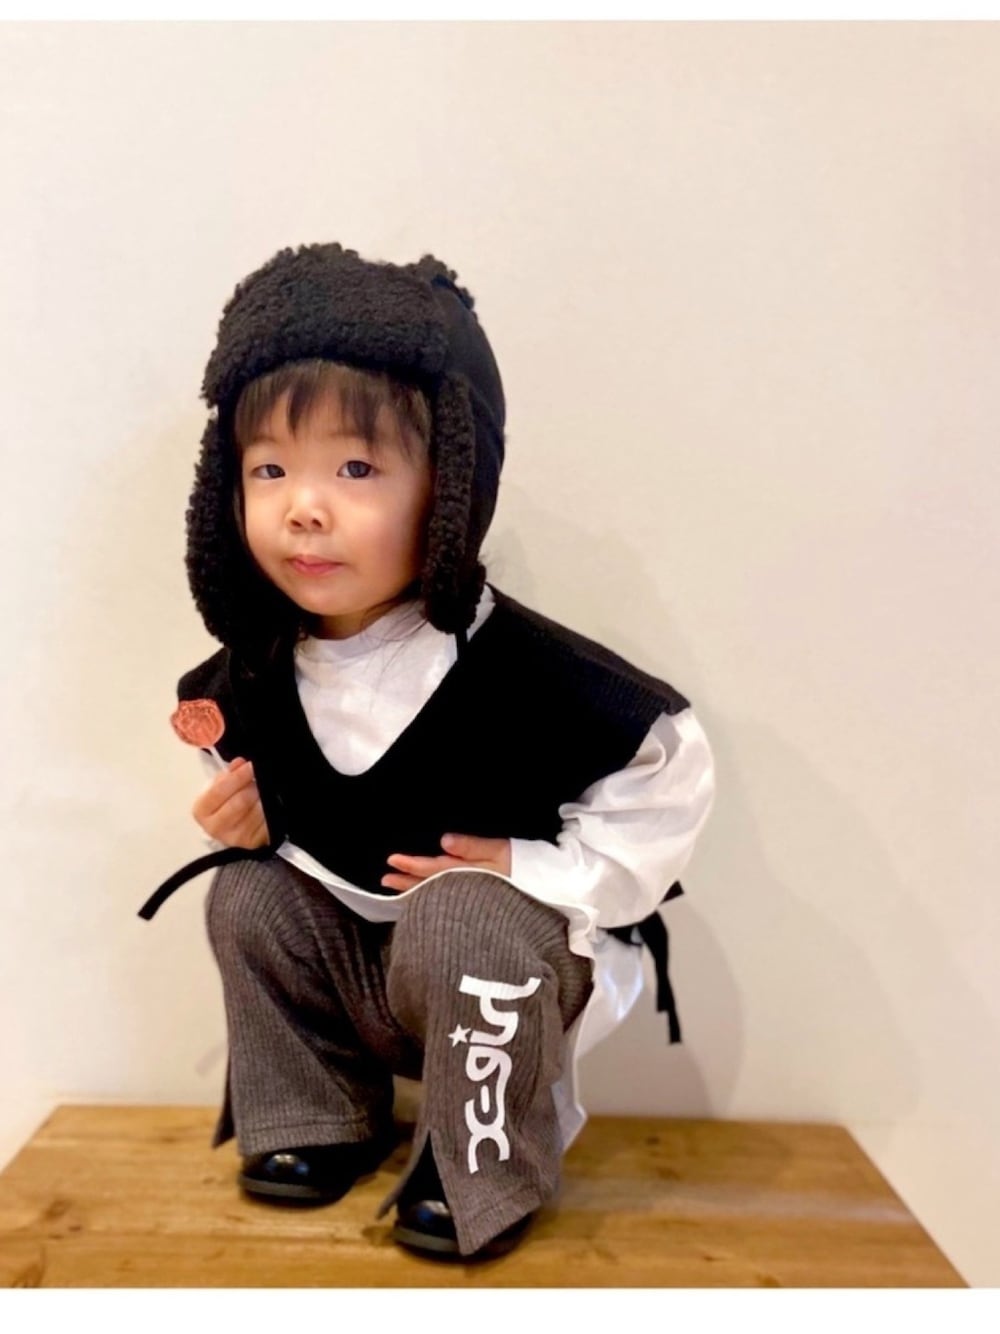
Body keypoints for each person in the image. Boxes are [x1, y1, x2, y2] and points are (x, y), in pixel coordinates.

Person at [139, 242, 716, 1262]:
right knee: (247, 893)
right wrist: (258, 819)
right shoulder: (248, 677)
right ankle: (317, 1113)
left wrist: (531, 868)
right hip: (366, 970)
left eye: (356, 469)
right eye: (269, 469)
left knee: (461, 913)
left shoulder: (524, 672)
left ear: (450, 486)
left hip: (501, 977)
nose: (303, 506)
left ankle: (476, 1160)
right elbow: (265, 781)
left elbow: (666, 765)